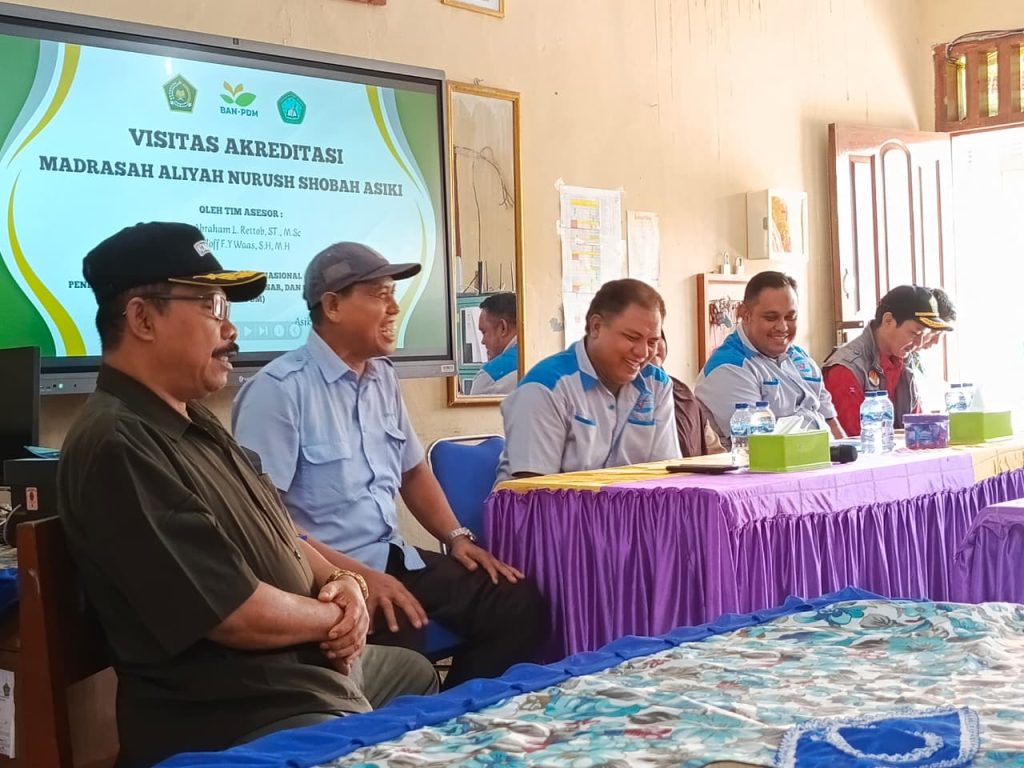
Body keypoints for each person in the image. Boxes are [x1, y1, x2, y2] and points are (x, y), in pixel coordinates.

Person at [57, 223, 437, 768]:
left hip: (299, 672)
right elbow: (235, 613)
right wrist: (336, 617)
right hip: (242, 708)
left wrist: (344, 582)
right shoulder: (119, 444)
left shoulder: (193, 420)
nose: (231, 329)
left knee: (415, 675)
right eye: (212, 306)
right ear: (142, 319)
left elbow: (282, 533)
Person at [232, 242, 543, 691]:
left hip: (392, 558)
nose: (395, 308)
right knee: (401, 638)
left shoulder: (382, 378)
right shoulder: (278, 391)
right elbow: (264, 520)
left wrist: (456, 537)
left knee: (514, 600)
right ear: (333, 306)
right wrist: (354, 577)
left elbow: (412, 472)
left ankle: (456, 712)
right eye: (380, 295)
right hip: (327, 578)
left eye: (393, 294)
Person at [496, 278, 680, 482]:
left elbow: (666, 478)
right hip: (550, 502)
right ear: (596, 327)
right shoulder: (545, 388)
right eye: (632, 338)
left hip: (627, 503)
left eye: (652, 342)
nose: (643, 352)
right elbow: (534, 493)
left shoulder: (657, 384)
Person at [695, 271, 845, 442]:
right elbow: (759, 445)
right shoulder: (727, 368)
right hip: (771, 458)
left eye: (790, 317)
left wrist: (849, 454)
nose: (782, 327)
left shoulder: (800, 357)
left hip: (820, 455)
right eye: (771, 318)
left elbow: (832, 424)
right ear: (745, 314)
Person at [823, 284, 953, 435]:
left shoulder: (904, 361)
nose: (919, 343)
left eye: (924, 335)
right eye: (915, 334)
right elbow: (855, 439)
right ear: (888, 320)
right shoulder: (846, 369)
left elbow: (916, 424)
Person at [648, 333, 725, 457]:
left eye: (655, 338)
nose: (651, 346)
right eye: (633, 337)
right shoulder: (619, 398)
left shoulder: (682, 393)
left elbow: (715, 453)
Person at [470, 291, 519, 395]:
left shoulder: (489, 379)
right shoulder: (545, 360)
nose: (482, 341)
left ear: (503, 328)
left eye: (484, 332)